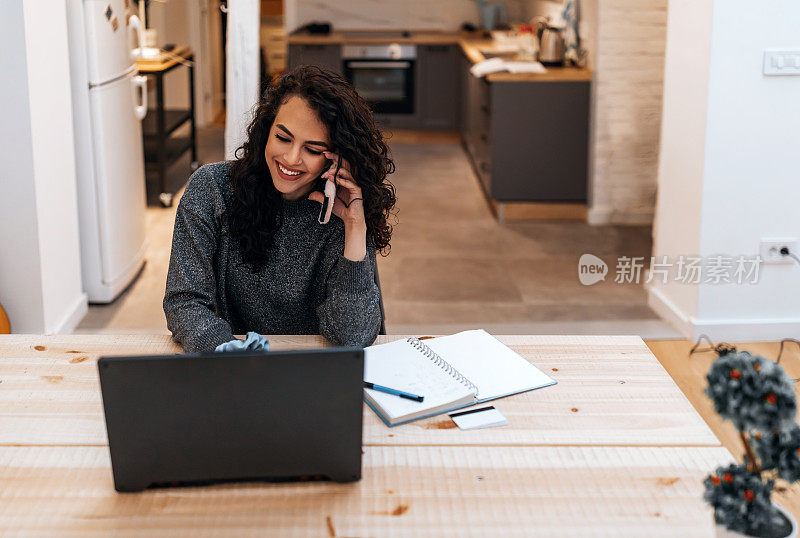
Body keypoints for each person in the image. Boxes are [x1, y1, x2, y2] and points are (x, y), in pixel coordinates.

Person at [163, 66, 396, 352]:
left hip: (312, 372)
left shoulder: (343, 207)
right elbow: (184, 302)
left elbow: (353, 335)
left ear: (336, 157)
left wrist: (355, 228)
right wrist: (229, 355)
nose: (291, 158)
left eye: (313, 149)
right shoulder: (210, 189)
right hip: (232, 370)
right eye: (283, 138)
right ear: (266, 130)